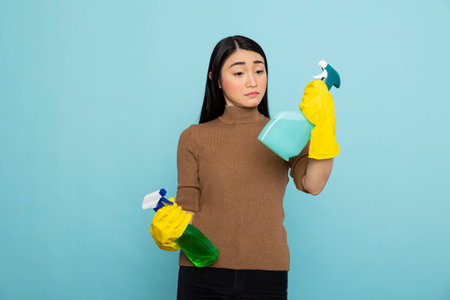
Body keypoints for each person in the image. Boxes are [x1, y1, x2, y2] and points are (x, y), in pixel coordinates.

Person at [151, 35, 337, 299]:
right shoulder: (193, 137)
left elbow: (313, 184)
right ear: (216, 80)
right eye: (239, 72)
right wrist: (171, 229)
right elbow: (188, 208)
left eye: (259, 70)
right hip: (201, 271)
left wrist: (324, 126)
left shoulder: (283, 132)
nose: (252, 81)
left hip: (267, 274)